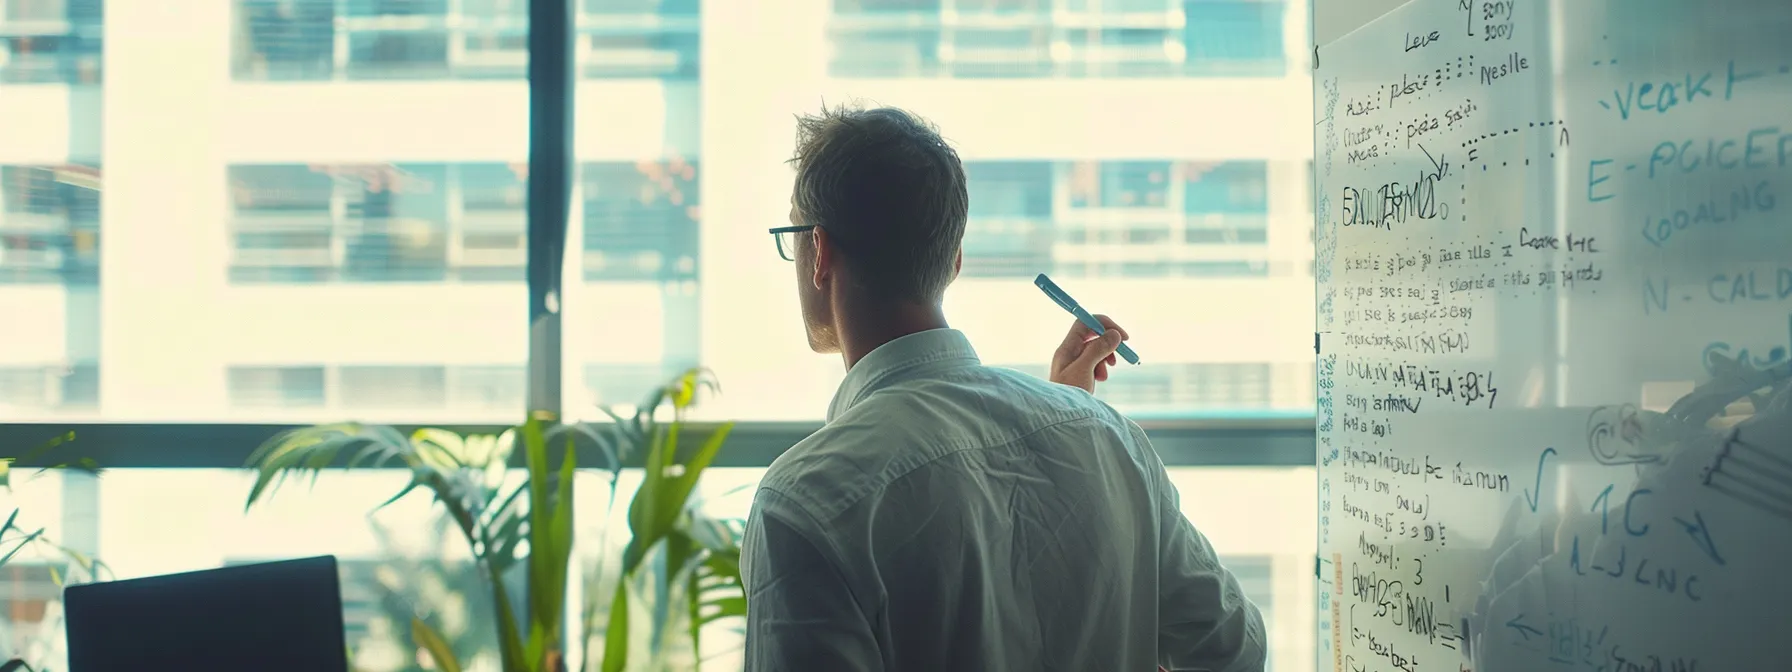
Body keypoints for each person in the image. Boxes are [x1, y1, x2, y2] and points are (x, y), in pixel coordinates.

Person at [740, 104, 1268, 672]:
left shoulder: (805, 502)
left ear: (819, 252)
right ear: (955, 259)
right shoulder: (1109, 441)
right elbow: (1235, 651)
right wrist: (1063, 417)